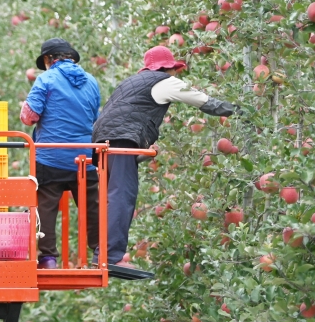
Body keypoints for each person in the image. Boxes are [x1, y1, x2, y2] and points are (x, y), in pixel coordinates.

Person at [92, 46, 238, 266]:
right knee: (123, 195)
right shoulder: (164, 81)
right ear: (168, 68)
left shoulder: (130, 83)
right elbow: (206, 103)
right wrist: (240, 110)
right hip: (121, 140)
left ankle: (102, 254)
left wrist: (142, 153)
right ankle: (109, 257)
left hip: (103, 141)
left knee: (114, 196)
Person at [20, 39, 101, 270]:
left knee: (45, 206)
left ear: (48, 60)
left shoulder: (46, 79)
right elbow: (95, 117)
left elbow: (29, 117)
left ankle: (48, 259)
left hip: (50, 156)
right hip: (85, 158)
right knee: (90, 204)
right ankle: (98, 252)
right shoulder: (92, 81)